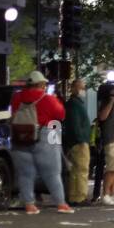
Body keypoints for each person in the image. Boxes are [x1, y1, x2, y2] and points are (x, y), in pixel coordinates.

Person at [10, 71, 72, 214]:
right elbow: (60, 114)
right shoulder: (48, 99)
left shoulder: (17, 97)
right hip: (46, 133)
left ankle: (29, 205)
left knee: (25, 174)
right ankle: (61, 204)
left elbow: (13, 113)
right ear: (41, 84)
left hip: (21, 136)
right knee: (52, 172)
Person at [63, 79, 91, 207]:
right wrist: (81, 139)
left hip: (76, 141)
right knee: (81, 169)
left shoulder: (74, 103)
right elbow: (75, 124)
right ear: (74, 88)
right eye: (81, 88)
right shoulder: (75, 104)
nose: (83, 90)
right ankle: (80, 196)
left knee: (75, 170)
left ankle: (74, 196)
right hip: (79, 142)